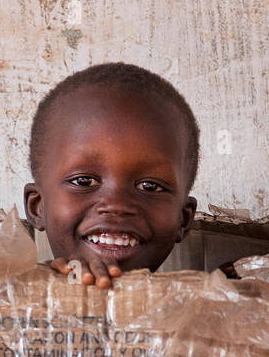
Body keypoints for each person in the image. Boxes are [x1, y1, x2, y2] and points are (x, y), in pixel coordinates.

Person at [23, 62, 200, 288]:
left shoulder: (212, 308)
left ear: (183, 219)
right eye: (84, 181)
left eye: (149, 186)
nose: (116, 205)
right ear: (37, 206)